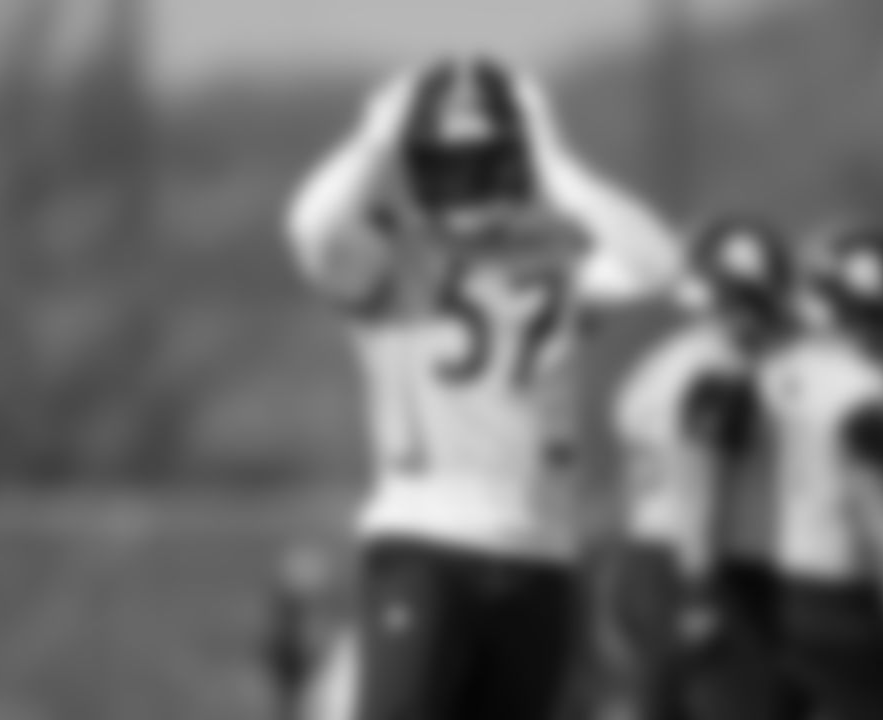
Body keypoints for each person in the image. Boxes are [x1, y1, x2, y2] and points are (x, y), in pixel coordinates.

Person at [284, 54, 681, 720]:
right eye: (450, 161)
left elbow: (658, 263)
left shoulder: (554, 262)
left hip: (540, 551)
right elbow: (310, 229)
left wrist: (558, 160)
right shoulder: (388, 258)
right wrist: (374, 136)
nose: (466, 181)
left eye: (483, 158)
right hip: (426, 540)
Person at [702, 226, 883, 720]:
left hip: (748, 598)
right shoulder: (866, 391)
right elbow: (882, 524)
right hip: (837, 604)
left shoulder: (758, 376)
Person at [607, 218, 793, 720]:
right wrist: (701, 591)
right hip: (700, 566)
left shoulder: (660, 363)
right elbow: (698, 471)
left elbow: (636, 482)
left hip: (644, 558)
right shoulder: (722, 368)